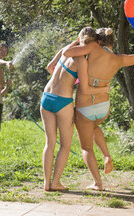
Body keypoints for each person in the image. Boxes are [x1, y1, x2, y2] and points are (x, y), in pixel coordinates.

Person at [63, 26, 134, 190]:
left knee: (86, 147)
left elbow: (66, 53)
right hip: (103, 107)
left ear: (98, 41)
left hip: (85, 106)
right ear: (113, 43)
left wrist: (80, 41)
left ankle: (97, 183)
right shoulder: (117, 58)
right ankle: (107, 155)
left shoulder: (93, 47)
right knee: (94, 126)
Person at [41, 40, 109, 191]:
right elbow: (85, 89)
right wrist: (103, 89)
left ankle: (46, 184)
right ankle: (56, 183)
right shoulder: (81, 61)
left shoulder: (66, 48)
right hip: (63, 101)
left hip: (46, 97)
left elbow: (50, 67)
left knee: (49, 143)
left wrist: (63, 77)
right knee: (65, 145)